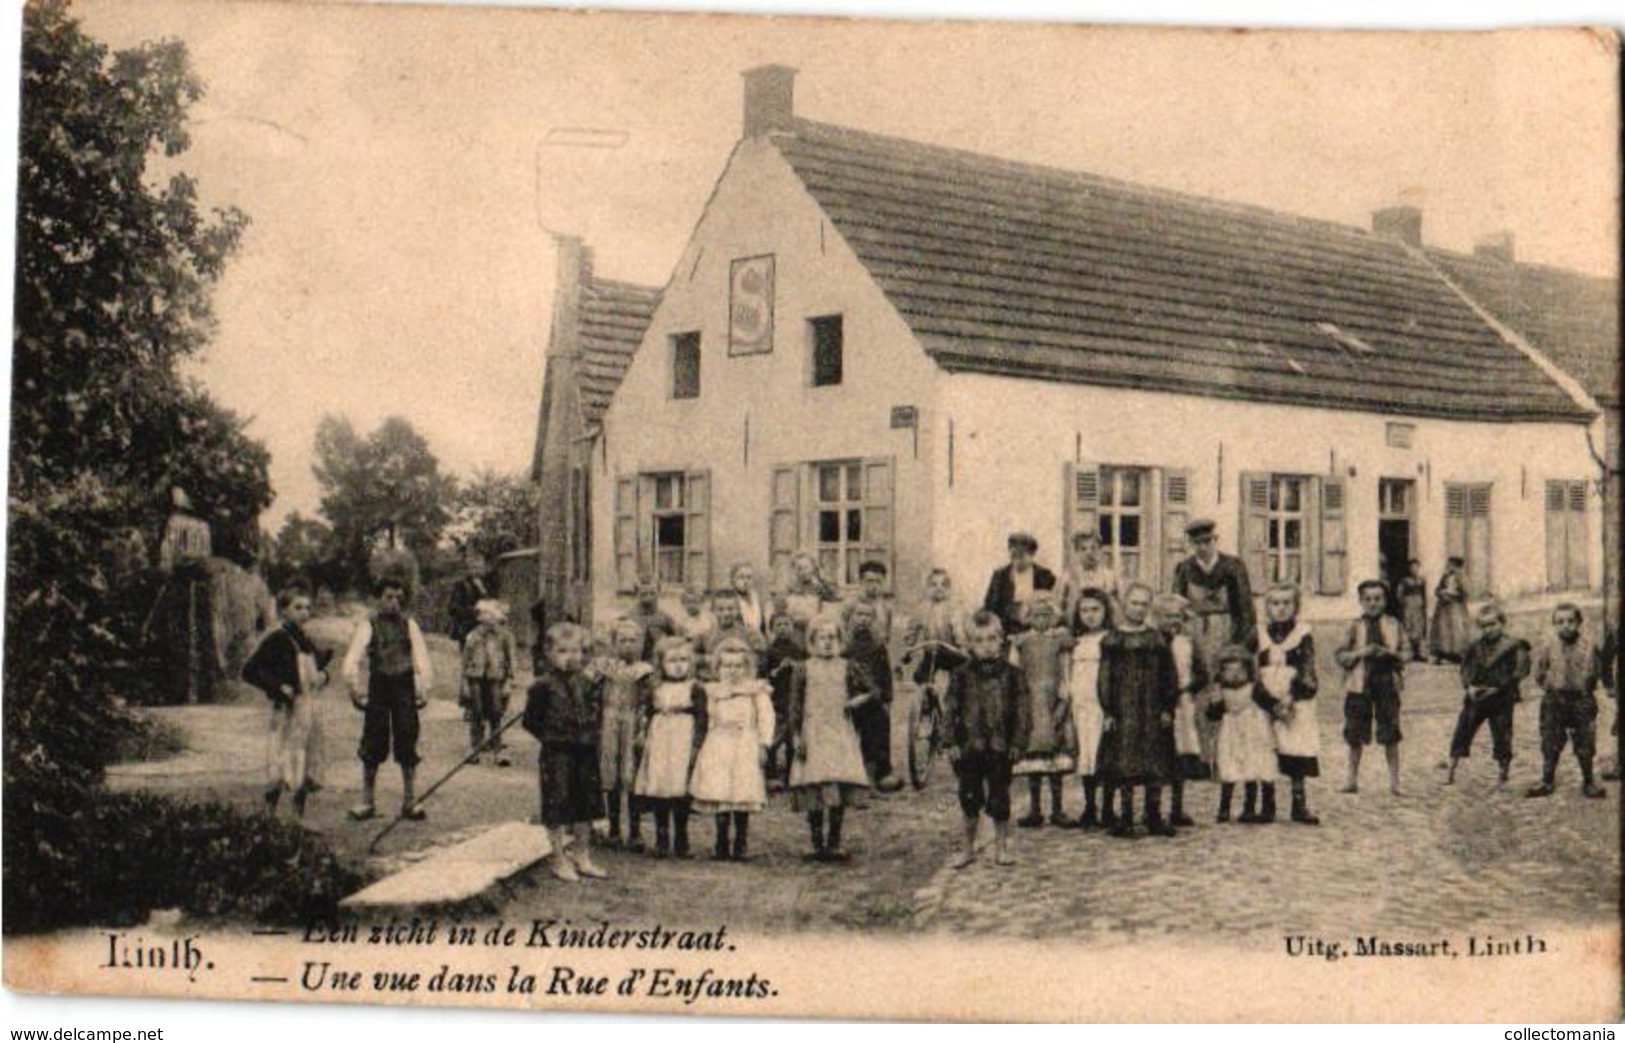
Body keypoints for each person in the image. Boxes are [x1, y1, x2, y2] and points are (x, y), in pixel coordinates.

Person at [342, 577, 434, 822]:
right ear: (377, 599)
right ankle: (367, 801)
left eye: (398, 598)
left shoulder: (409, 624)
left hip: (403, 686)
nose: (394, 603)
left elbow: (421, 657)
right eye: (388, 597)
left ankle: (410, 800)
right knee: (373, 740)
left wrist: (423, 687)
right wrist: (353, 688)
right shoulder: (368, 625)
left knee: (407, 738)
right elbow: (353, 658)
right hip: (379, 686)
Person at [943, 611, 1031, 869]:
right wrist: (950, 742)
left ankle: (1002, 847)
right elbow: (950, 709)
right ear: (970, 644)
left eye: (992, 639)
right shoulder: (961, 674)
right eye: (979, 640)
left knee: (1000, 797)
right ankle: (968, 848)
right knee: (969, 797)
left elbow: (1023, 712)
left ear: (1002, 640)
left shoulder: (1014, 674)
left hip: (1000, 747)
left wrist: (1018, 742)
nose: (986, 645)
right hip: (969, 746)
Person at [1171, 518, 1257, 775]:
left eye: (1207, 541)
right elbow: (1177, 606)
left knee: (1226, 692)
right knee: (1198, 693)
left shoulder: (1233, 566)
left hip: (1226, 631)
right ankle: (1202, 756)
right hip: (1195, 633)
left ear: (1214, 540)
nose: (1203, 547)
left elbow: (1245, 608)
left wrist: (1240, 646)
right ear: (1191, 544)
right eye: (1197, 542)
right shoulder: (1184, 569)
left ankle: (1226, 757)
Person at [524, 623, 608, 882]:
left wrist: (588, 735)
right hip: (557, 752)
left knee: (586, 804)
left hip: (584, 750)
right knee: (557, 803)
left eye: (576, 651)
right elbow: (531, 721)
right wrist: (552, 737)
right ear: (548, 653)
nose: (571, 657)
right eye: (562, 651)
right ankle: (557, 857)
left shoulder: (587, 682)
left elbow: (596, 712)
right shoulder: (542, 686)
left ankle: (581, 854)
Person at [787, 615, 875, 861]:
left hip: (839, 732)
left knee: (837, 783)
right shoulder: (803, 668)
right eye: (822, 638)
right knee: (815, 785)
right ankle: (816, 843)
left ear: (840, 640)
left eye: (832, 638)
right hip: (812, 732)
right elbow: (795, 705)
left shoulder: (847, 666)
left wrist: (853, 701)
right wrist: (796, 736)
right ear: (813, 640)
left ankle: (834, 841)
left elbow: (871, 690)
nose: (827, 643)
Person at [1097, 583, 1181, 838]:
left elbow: (1170, 676)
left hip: (1152, 709)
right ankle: (1125, 818)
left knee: (1154, 761)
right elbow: (1104, 678)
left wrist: (1168, 707)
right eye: (1134, 603)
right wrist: (1108, 711)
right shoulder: (1113, 640)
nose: (1139, 609)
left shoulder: (1157, 638)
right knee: (1125, 763)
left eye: (1144, 604)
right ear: (1124, 605)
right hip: (1125, 711)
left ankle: (1153, 815)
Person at [243, 583, 333, 819]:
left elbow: (319, 667)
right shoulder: (278, 639)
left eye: (307, 608)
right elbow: (250, 670)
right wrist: (278, 687)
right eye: (298, 607)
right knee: (281, 763)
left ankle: (296, 820)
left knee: (304, 764)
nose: (305, 612)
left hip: (309, 710)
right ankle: (268, 816)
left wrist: (324, 676)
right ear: (285, 611)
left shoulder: (304, 639)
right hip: (287, 711)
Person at [689, 638, 776, 861]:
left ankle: (740, 842)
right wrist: (703, 747)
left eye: (738, 666)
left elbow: (766, 719)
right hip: (718, 744)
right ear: (718, 668)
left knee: (741, 793)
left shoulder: (756, 691)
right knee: (720, 791)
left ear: (747, 668)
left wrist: (764, 744)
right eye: (727, 666)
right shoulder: (713, 692)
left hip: (745, 744)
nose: (733, 671)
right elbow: (706, 719)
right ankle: (721, 842)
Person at [634, 637, 707, 859]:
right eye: (672, 660)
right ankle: (661, 838)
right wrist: (642, 734)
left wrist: (696, 744)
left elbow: (702, 717)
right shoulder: (656, 686)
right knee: (660, 786)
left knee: (679, 788)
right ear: (661, 663)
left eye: (684, 660)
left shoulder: (695, 687)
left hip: (682, 737)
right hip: (660, 738)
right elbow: (646, 712)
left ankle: (681, 840)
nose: (678, 665)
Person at [1527, 604, 1608, 799]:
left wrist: (1586, 685)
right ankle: (1547, 780)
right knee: (1550, 740)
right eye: (1560, 621)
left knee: (1585, 741)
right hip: (1554, 701)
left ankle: (1588, 781)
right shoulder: (1548, 646)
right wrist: (1551, 685)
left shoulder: (1589, 646)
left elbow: (1597, 671)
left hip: (1581, 700)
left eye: (1571, 621)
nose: (1566, 626)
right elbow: (1539, 673)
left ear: (1579, 622)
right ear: (1554, 624)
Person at [1010, 591, 1078, 827]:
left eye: (1046, 615)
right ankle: (1035, 809)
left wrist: (1065, 694)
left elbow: (1066, 669)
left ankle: (1058, 809)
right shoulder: (1021, 642)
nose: (1041, 620)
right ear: (1028, 616)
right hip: (1031, 701)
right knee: (1033, 759)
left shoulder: (1060, 640)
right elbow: (1015, 672)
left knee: (1056, 757)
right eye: (1036, 615)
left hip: (1052, 699)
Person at [1337, 579, 1409, 796]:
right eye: (1368, 599)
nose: (1373, 603)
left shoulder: (1394, 625)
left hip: (1386, 683)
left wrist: (1391, 654)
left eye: (1377, 598)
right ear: (1361, 601)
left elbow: (1407, 653)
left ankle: (1395, 782)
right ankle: (1351, 779)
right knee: (1355, 733)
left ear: (1385, 601)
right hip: (1360, 684)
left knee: (1390, 731)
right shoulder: (1353, 626)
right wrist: (1361, 653)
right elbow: (1340, 655)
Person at [1256, 584, 1321, 824]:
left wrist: (1291, 698)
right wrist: (1269, 702)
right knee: (1266, 748)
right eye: (1275, 603)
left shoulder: (1302, 635)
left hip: (1295, 701)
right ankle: (1267, 804)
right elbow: (1253, 670)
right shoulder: (1260, 634)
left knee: (1296, 748)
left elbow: (1307, 670)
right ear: (1268, 607)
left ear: (1295, 606)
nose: (1281, 609)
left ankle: (1298, 803)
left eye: (1286, 603)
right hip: (1267, 701)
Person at [1447, 603, 1530, 789]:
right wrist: (1468, 687)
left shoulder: (1514, 646)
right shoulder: (1475, 647)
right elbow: (1466, 669)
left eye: (1492, 624)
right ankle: (1452, 767)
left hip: (1501, 698)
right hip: (1476, 696)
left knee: (1502, 734)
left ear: (1502, 623)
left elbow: (1520, 670)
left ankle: (1503, 771)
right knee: (1463, 730)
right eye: (1484, 626)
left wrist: (1502, 687)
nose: (1488, 629)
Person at [593, 619, 655, 851]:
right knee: (611, 776)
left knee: (631, 775)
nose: (628, 645)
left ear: (641, 643)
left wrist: (643, 727)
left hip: (632, 724)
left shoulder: (644, 671)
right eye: (623, 640)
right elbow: (594, 696)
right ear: (614, 643)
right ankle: (614, 829)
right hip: (609, 724)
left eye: (633, 641)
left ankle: (636, 831)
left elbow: (648, 703)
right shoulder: (606, 669)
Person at [1208, 645, 1280, 824]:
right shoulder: (1221, 691)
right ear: (1221, 673)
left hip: (1254, 731)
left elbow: (1269, 703)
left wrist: (1280, 708)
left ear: (1248, 671)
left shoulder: (1253, 689)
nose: (1234, 675)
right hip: (1231, 732)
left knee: (1256, 766)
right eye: (1229, 671)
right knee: (1229, 767)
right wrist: (1215, 704)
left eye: (1239, 670)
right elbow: (1213, 715)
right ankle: (1224, 809)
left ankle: (1257, 809)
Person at [1154, 593, 1205, 828]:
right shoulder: (1153, 642)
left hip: (1183, 703)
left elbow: (1202, 674)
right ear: (1157, 617)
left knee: (1181, 755)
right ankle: (1152, 807)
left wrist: (1188, 688)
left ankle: (1177, 807)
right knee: (1158, 754)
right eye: (1167, 616)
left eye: (1177, 616)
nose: (1173, 621)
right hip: (1158, 705)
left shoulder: (1187, 643)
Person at [1068, 587, 1113, 829]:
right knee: (1085, 754)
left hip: (1101, 706)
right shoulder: (1075, 640)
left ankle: (1107, 808)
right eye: (1084, 610)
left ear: (1105, 611)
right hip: (1081, 705)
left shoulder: (1110, 639)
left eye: (1095, 609)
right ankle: (1089, 806)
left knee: (1103, 754)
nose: (1090, 615)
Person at [845, 600, 902, 792]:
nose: (863, 619)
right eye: (859, 615)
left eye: (868, 615)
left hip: (872, 697)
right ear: (851, 618)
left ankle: (879, 772)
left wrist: (887, 698)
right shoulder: (844, 645)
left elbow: (885, 674)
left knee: (878, 725)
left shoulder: (878, 646)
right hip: (848, 697)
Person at [461, 598, 518, 766]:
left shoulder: (505, 636)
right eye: (482, 614)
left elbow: (512, 658)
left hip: (496, 678)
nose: (484, 618)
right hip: (476, 678)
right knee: (476, 712)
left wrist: (510, 680)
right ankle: (475, 748)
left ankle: (497, 749)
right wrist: (464, 682)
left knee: (496, 712)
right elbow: (465, 661)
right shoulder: (473, 636)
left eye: (488, 614)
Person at [982, 531, 1058, 638]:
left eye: (1021, 555)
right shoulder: (1000, 576)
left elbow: (1053, 605)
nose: (1017, 560)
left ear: (1032, 554)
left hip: (1038, 628)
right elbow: (990, 607)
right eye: (1013, 555)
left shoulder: (1044, 576)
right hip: (1007, 629)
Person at [761, 611, 805, 789]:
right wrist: (778, 669)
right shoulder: (769, 651)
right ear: (772, 629)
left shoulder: (799, 650)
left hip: (793, 699)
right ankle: (771, 775)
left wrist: (796, 667)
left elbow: (805, 673)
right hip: (776, 699)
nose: (783, 628)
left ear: (792, 627)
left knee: (791, 738)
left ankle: (790, 774)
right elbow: (764, 675)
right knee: (773, 737)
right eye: (778, 625)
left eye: (786, 624)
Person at [1061, 529, 1122, 620]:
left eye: (1093, 548)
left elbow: (1119, 607)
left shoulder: (1110, 576)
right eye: (1083, 549)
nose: (1089, 552)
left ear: (1100, 550)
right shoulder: (1068, 577)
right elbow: (1059, 606)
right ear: (1076, 552)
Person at [779, 551, 839, 641]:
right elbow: (781, 610)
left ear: (813, 568)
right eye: (799, 568)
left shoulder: (819, 585)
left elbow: (834, 596)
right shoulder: (789, 588)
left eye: (806, 567)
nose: (803, 572)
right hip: (795, 632)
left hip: (815, 631)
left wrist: (821, 582)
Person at [1429, 557, 1472, 664]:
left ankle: (1456, 654)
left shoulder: (1462, 577)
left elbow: (1465, 593)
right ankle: (1443, 653)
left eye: (1451, 565)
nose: (1448, 567)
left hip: (1456, 607)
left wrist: (1452, 595)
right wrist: (1441, 593)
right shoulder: (1445, 576)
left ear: (1456, 566)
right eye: (1448, 564)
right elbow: (1437, 589)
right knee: (1443, 629)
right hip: (1443, 607)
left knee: (1456, 629)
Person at [446, 551, 492, 650]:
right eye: (474, 567)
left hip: (487, 629)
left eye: (480, 566)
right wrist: (475, 611)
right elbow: (452, 607)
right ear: (469, 569)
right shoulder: (461, 585)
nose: (478, 570)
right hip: (468, 628)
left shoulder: (489, 584)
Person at [842, 560, 894, 646]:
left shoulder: (886, 607)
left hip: (877, 653)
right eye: (869, 581)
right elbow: (842, 632)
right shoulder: (850, 603)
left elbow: (887, 637)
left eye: (878, 581)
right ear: (861, 581)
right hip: (853, 652)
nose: (874, 585)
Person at [626, 574, 678, 661]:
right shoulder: (630, 617)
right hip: (635, 661)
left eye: (652, 593)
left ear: (658, 594)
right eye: (644, 594)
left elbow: (676, 640)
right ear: (636, 595)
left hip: (657, 661)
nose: (649, 598)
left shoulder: (664, 618)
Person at [728, 563, 770, 638]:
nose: (746, 581)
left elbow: (763, 626)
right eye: (741, 577)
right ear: (733, 580)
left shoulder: (757, 600)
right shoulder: (730, 600)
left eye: (749, 577)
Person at [1397, 559, 1429, 660]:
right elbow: (1399, 594)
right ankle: (1409, 653)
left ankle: (1419, 653)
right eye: (1412, 567)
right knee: (1408, 626)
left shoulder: (1422, 580)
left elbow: (1424, 594)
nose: (1414, 569)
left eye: (1416, 567)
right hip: (1409, 605)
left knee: (1419, 628)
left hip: (1418, 605)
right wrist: (1404, 602)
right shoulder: (1405, 581)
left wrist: (1424, 605)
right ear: (1409, 569)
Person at [674, 583, 716, 647]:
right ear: (683, 603)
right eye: (688, 602)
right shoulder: (681, 621)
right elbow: (678, 638)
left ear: (702, 602)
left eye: (695, 602)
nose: (691, 605)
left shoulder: (709, 618)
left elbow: (713, 634)